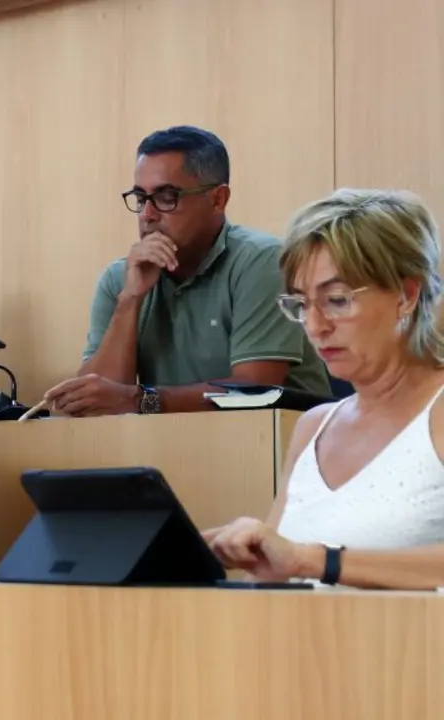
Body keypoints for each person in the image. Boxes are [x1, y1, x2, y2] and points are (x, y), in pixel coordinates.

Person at [203, 189, 444, 590]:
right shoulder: (314, 426)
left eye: (336, 300)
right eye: (300, 304)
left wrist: (311, 560)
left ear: (407, 295)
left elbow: (299, 560)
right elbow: (273, 580)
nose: (315, 326)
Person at [44, 126, 330, 417]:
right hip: (167, 447)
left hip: (276, 444)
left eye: (167, 197)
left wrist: (143, 400)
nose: (147, 215)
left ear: (218, 199)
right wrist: (130, 300)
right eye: (141, 198)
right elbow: (95, 402)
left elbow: (256, 391)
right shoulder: (120, 279)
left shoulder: (262, 261)